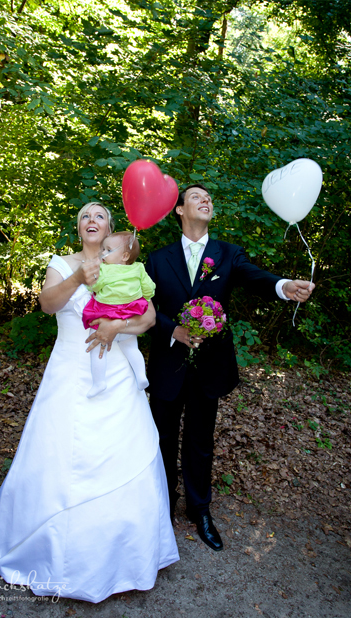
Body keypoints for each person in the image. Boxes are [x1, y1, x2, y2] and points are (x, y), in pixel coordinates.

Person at [0, 202, 178, 603]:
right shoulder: (63, 264)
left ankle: (125, 557)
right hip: (70, 371)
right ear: (79, 229)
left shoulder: (125, 266)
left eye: (100, 216)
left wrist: (116, 325)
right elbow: (48, 303)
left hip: (119, 373)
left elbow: (148, 318)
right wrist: (78, 277)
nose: (93, 221)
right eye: (86, 217)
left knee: (125, 454)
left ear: (111, 229)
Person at [145, 183, 315, 552]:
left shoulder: (228, 254)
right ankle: (161, 506)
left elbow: (257, 277)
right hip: (168, 362)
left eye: (208, 198)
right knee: (161, 439)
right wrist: (173, 329)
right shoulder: (157, 259)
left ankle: (199, 509)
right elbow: (143, 308)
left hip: (210, 365)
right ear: (178, 210)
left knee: (201, 440)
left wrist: (285, 286)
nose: (205, 200)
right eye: (196, 197)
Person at [82, 231, 155, 398]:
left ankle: (99, 382)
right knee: (131, 347)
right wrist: (146, 296)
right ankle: (141, 376)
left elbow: (96, 286)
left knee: (97, 348)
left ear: (124, 256)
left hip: (107, 314)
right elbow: (148, 288)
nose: (103, 253)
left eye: (107, 250)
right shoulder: (139, 268)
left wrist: (90, 285)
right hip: (129, 313)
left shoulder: (104, 269)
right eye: (103, 249)